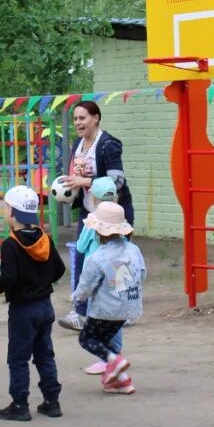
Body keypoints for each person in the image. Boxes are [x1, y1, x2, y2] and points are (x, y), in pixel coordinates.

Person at [0, 185, 66, 421]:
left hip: (23, 310)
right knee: (45, 355)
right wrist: (42, 282)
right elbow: (59, 269)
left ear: (12, 212)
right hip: (45, 306)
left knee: (18, 358)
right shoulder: (45, 239)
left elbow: (9, 278)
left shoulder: (11, 244)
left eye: (5, 207)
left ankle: (20, 404)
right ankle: (52, 401)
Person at [58, 100, 135, 332]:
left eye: (82, 118)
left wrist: (85, 181)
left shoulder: (108, 144)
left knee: (119, 264)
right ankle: (80, 314)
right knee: (83, 259)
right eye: (75, 119)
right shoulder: (77, 144)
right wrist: (68, 187)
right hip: (89, 213)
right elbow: (76, 174)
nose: (78, 123)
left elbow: (117, 180)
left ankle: (127, 312)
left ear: (96, 118)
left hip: (114, 213)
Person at [71, 202, 146, 395]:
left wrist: (77, 299)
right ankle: (122, 381)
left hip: (105, 309)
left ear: (98, 231)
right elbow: (142, 274)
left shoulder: (97, 257)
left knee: (87, 339)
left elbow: (85, 286)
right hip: (129, 307)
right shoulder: (134, 249)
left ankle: (115, 362)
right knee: (106, 342)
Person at [72, 177, 124, 376]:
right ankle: (116, 353)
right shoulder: (120, 219)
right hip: (116, 273)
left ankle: (107, 358)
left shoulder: (92, 222)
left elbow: (81, 247)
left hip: (96, 276)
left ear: (93, 199)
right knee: (115, 316)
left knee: (98, 317)